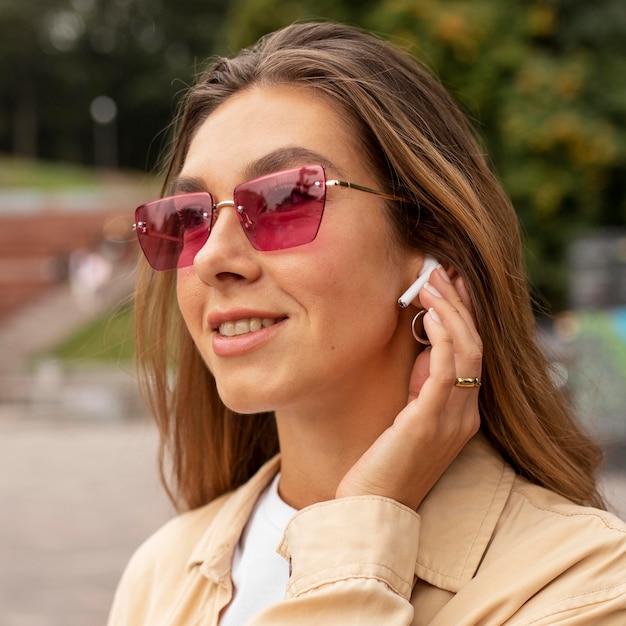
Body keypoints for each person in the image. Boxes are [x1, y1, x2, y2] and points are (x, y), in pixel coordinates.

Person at [108, 21, 626, 625]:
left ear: (432, 243)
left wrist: (365, 525)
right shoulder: (163, 571)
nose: (216, 256)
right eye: (189, 217)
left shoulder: (582, 585)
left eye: (284, 199)